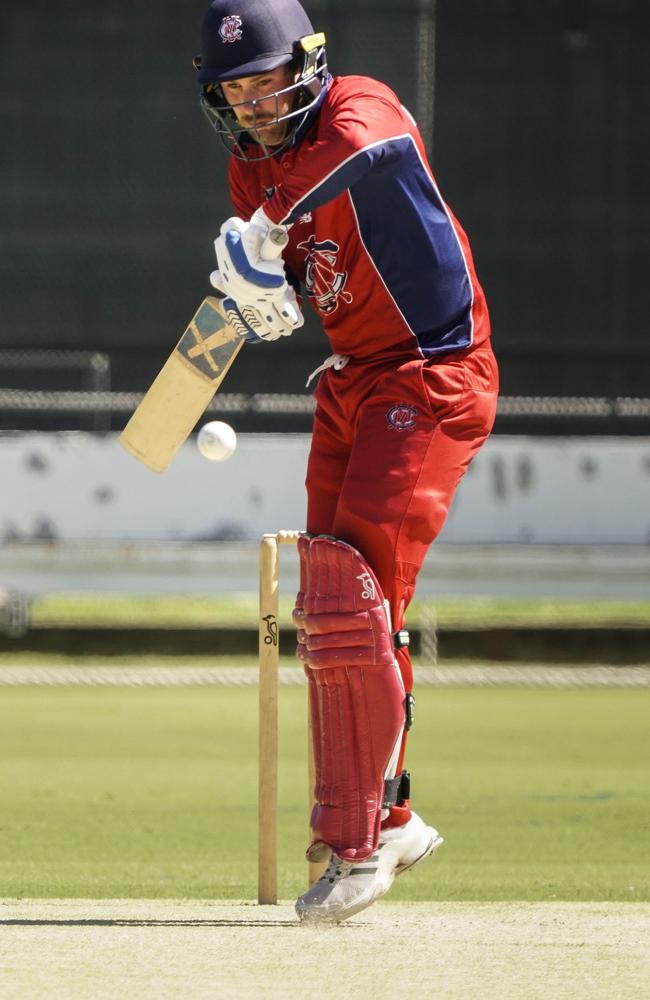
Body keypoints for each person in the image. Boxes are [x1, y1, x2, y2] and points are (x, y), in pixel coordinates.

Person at [194, 0, 499, 923]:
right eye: (233, 90)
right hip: (355, 377)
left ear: (311, 65)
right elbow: (282, 277)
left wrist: (268, 228)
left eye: (265, 80)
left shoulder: (360, 108)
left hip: (435, 371)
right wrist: (254, 292)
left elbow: (370, 157)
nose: (251, 104)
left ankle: (359, 845)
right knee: (336, 602)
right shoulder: (251, 163)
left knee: (354, 590)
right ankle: (388, 820)